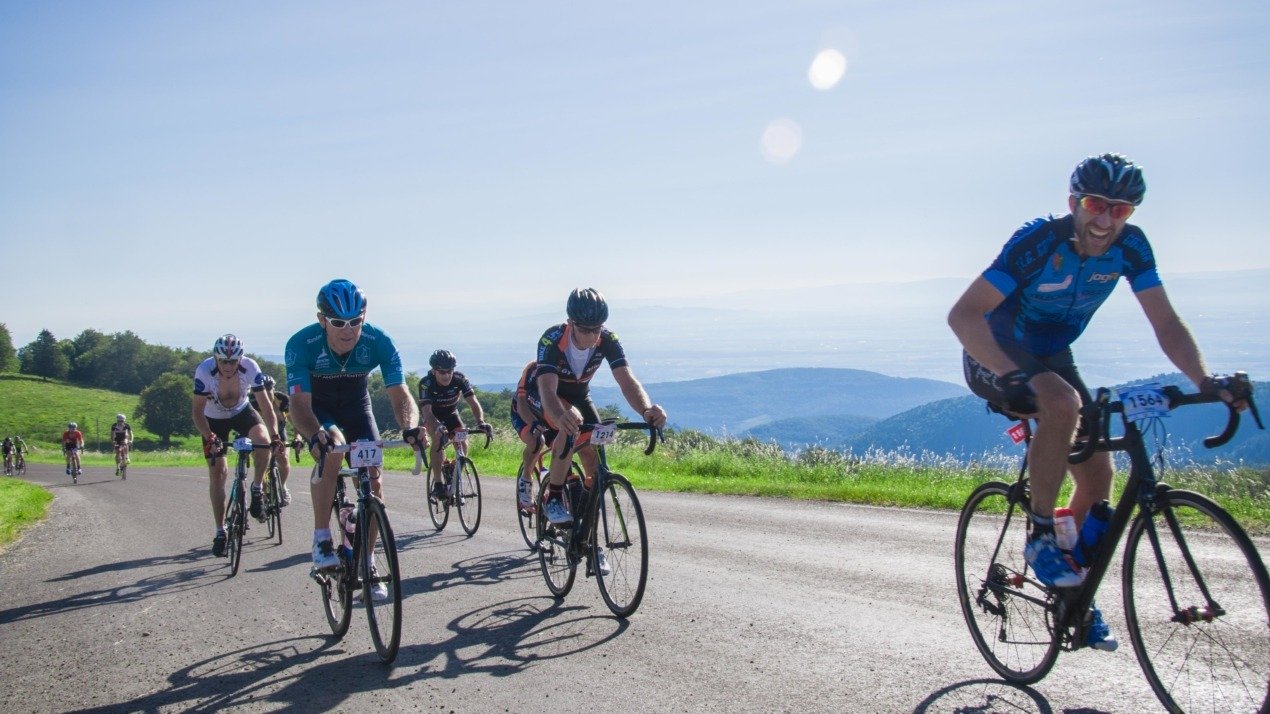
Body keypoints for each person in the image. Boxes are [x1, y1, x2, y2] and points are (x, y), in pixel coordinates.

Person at [948, 153, 1243, 652]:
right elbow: (964, 315)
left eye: (1121, 210)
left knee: (1099, 474)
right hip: (995, 351)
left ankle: (1074, 591)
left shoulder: (1131, 249)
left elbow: (1166, 324)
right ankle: (1042, 535)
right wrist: (1012, 375)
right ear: (1074, 203)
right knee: (1061, 404)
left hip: (1053, 354)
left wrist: (1205, 379)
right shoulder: (1038, 243)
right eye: (1096, 204)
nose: (1106, 219)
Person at [285, 279, 424, 578]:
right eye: (338, 322)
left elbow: (400, 393)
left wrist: (410, 427)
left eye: (355, 321)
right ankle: (321, 538)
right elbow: (298, 404)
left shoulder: (379, 341)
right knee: (333, 449)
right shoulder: (301, 344)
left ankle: (367, 558)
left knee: (374, 478)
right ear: (322, 319)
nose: (347, 330)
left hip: (357, 408)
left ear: (364, 317)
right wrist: (313, 435)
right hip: (318, 410)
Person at [525, 288, 667, 528]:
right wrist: (560, 416)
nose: (592, 336)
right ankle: (556, 498)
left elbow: (627, 380)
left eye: (597, 329)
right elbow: (547, 390)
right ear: (570, 322)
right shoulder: (552, 339)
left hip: (581, 395)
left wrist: (646, 410)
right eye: (585, 329)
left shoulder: (608, 339)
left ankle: (586, 535)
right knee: (570, 429)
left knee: (594, 458)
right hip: (550, 396)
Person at [191, 334, 282, 558]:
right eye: (223, 361)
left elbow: (266, 407)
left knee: (263, 440)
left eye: (232, 361)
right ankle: (220, 530)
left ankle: (257, 488)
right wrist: (209, 436)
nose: (228, 366)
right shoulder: (204, 371)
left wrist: (275, 435)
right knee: (218, 473)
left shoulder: (250, 367)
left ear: (240, 359)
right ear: (216, 358)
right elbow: (196, 412)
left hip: (242, 412)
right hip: (212, 419)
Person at [418, 349, 489, 503]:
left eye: (449, 371)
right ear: (434, 371)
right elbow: (427, 412)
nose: (446, 375)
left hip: (451, 415)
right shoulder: (426, 383)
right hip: (432, 417)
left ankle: (454, 474)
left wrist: (481, 422)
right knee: (438, 439)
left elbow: (473, 402)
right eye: (442, 372)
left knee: (462, 440)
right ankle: (438, 483)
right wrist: (437, 426)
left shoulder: (460, 379)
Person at [511, 360, 545, 510]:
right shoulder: (532, 369)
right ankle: (525, 480)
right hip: (522, 412)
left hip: (546, 413)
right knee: (537, 441)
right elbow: (521, 403)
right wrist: (533, 423)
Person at [262, 375, 293, 506]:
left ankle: (283, 487)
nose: (267, 392)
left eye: (270, 389)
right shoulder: (253, 400)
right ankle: (262, 493)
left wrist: (298, 437)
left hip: (280, 433)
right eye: (264, 389)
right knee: (262, 461)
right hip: (262, 434)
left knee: (284, 459)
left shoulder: (283, 399)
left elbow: (295, 421)